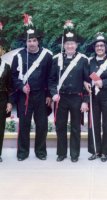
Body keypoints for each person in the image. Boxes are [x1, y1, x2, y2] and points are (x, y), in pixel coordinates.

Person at [12, 14, 52, 161]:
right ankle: (23, 152)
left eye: (34, 40)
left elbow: (50, 77)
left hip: (41, 95)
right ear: (26, 42)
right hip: (25, 96)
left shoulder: (47, 56)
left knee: (42, 125)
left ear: (38, 41)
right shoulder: (19, 56)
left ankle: (40, 152)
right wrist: (21, 87)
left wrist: (49, 94)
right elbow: (14, 77)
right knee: (24, 124)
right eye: (29, 41)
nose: (32, 43)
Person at [48, 20, 89, 162]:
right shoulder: (56, 59)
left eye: (72, 43)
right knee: (60, 126)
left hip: (77, 98)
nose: (70, 46)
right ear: (63, 45)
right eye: (67, 43)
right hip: (61, 98)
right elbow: (51, 80)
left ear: (76, 45)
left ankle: (74, 154)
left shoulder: (83, 60)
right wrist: (53, 93)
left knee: (76, 127)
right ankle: (61, 153)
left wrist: (85, 101)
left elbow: (87, 82)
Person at [85, 33, 107, 162]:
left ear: (105, 47)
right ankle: (95, 151)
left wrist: (104, 83)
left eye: (102, 46)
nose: (99, 48)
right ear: (94, 48)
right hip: (93, 96)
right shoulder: (89, 62)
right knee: (94, 124)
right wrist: (85, 82)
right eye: (97, 46)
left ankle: (105, 152)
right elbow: (86, 78)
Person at [0, 22, 12, 162]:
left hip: (2, 98)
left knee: (0, 126)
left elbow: (10, 86)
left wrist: (9, 101)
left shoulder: (6, 66)